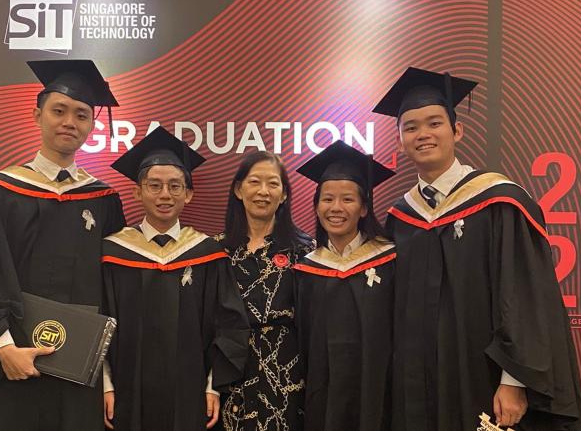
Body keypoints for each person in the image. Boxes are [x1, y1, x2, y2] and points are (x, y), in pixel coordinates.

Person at [374, 67, 581, 430]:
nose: (423, 134)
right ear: (399, 141)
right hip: (418, 385)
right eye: (410, 127)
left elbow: (523, 297)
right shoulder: (401, 218)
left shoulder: (498, 202)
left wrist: (514, 381)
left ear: (457, 131)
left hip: (486, 378)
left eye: (434, 123)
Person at [0, 59, 126, 431]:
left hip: (79, 373)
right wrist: (3, 348)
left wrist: (107, 375)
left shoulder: (104, 201)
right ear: (37, 116)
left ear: (91, 126)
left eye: (81, 115)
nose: (70, 122)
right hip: (10, 365)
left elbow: (113, 290)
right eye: (59, 111)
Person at [102, 128, 250, 431]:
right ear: (137, 192)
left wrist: (213, 386)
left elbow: (229, 324)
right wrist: (105, 385)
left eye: (174, 186)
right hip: (127, 390)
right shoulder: (113, 253)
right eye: (154, 185)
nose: (165, 195)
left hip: (191, 392)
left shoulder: (208, 254)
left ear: (188, 194)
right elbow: (98, 320)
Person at [293, 141, 396, 431]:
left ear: (364, 209)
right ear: (316, 206)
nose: (336, 208)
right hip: (322, 393)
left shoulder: (390, 261)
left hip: (380, 390)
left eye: (348, 199)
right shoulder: (307, 269)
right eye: (327, 199)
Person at [216, 151, 312, 431]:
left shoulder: (304, 250)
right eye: (254, 182)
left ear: (284, 194)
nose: (263, 191)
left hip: (287, 371)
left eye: (273, 183)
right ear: (238, 189)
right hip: (231, 369)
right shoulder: (217, 250)